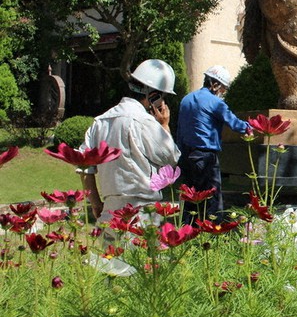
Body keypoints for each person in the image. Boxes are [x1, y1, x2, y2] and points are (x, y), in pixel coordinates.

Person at [81, 59, 181, 224]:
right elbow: (171, 158)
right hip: (142, 212)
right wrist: (164, 125)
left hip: (110, 211)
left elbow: (85, 167)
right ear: (154, 95)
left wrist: (95, 203)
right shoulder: (145, 122)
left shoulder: (100, 121)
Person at [176, 65, 250, 224]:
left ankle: (186, 233)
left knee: (190, 198)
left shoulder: (186, 99)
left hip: (186, 157)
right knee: (212, 200)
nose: (222, 92)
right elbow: (235, 123)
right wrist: (252, 127)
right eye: (223, 89)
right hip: (206, 157)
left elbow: (180, 131)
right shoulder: (216, 103)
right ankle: (212, 233)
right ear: (215, 85)